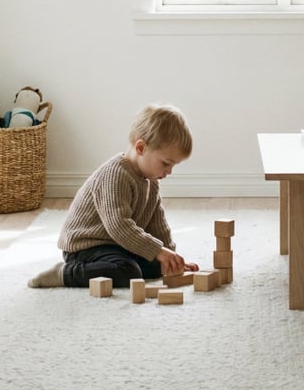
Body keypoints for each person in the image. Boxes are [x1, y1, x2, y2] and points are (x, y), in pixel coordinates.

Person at [27, 104, 198, 289]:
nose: (169, 171)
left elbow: (158, 226)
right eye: (166, 163)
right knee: (128, 272)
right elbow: (119, 227)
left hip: (118, 245)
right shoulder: (116, 175)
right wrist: (158, 251)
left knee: (155, 266)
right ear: (141, 148)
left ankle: (148, 262)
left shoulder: (152, 182)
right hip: (87, 247)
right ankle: (65, 273)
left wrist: (170, 258)